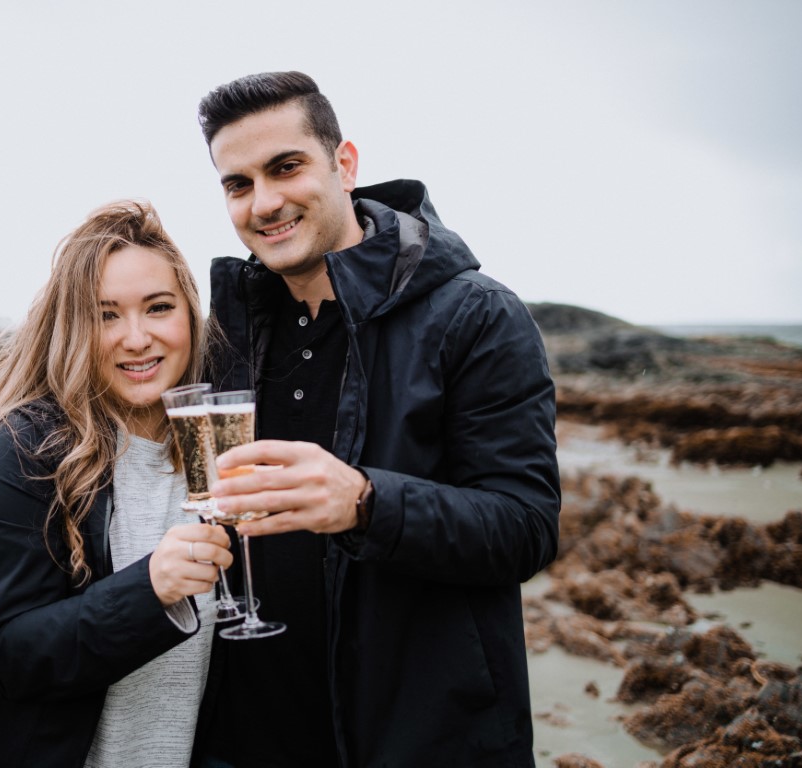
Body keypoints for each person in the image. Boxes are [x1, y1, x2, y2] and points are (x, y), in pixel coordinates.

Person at [192, 72, 561, 767]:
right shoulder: (230, 330)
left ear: (345, 164)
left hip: (415, 740)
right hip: (244, 739)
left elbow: (526, 529)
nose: (264, 202)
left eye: (286, 167)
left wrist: (365, 502)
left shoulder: (477, 314)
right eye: (238, 184)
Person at [0, 200, 233, 768]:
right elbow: (6, 656)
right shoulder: (27, 451)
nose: (136, 337)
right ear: (74, 328)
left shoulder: (221, 439)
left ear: (190, 314)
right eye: (106, 315)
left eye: (159, 307)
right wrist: (150, 590)